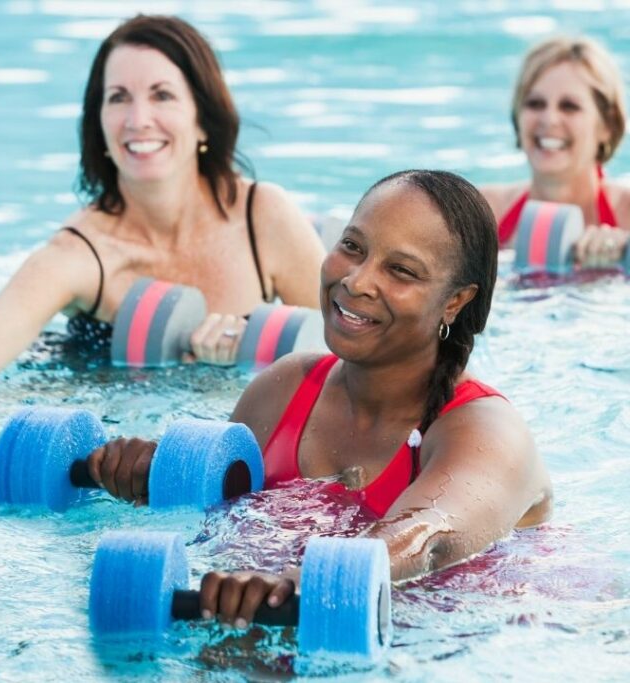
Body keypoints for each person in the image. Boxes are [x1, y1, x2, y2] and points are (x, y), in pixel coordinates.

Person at [85, 170, 553, 626]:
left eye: (401, 270)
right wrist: (153, 475)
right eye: (352, 246)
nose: (357, 280)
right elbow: (220, 518)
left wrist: (296, 581)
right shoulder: (283, 390)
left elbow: (427, 539)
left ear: (455, 301)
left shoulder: (487, 433)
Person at [0, 14, 324, 421]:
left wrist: (259, 357)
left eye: (162, 95)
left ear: (202, 117)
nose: (138, 119)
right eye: (118, 98)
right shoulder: (83, 251)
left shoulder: (264, 216)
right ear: (100, 125)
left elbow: (349, 344)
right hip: (111, 409)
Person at [479, 36, 630, 268]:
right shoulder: (483, 213)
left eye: (569, 106)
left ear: (607, 126)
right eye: (535, 104)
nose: (549, 120)